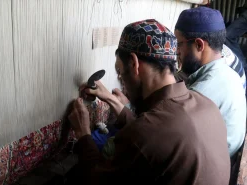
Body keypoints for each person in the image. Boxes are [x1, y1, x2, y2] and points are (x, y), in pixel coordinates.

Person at [68, 19, 230, 185]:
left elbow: (95, 180)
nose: (121, 79)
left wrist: (83, 133)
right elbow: (158, 131)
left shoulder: (145, 135)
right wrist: (111, 99)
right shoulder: (207, 105)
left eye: (120, 71)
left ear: (134, 64)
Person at [174, 7, 246, 158]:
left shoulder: (203, 92)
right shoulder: (227, 71)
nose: (176, 51)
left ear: (199, 45)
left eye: (179, 43)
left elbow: (167, 131)